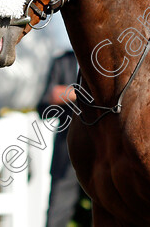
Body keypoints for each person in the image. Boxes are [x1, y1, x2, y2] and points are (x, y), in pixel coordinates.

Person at [37, 49, 91, 227]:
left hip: (105, 149)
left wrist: (73, 92)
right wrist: (59, 96)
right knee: (57, 213)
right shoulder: (62, 61)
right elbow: (43, 108)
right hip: (67, 149)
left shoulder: (108, 53)